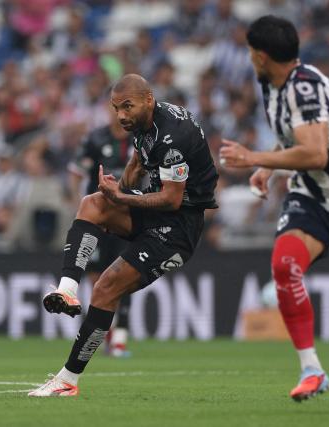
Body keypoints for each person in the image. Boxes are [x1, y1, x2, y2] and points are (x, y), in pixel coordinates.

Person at [219, 16, 329, 412]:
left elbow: (316, 152)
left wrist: (253, 157)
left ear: (262, 56)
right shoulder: (272, 85)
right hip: (312, 197)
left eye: (251, 52)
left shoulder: (304, 87)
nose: (249, 58)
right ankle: (311, 369)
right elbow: (294, 142)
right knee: (285, 265)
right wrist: (271, 167)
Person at [28, 74, 219, 397]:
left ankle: (67, 381)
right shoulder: (145, 124)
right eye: (116, 108)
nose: (121, 115)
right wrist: (121, 189)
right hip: (156, 213)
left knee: (105, 288)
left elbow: (172, 199)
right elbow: (137, 163)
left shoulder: (172, 135)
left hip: (178, 229)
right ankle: (68, 290)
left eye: (127, 106)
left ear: (148, 98)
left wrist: (122, 198)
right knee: (93, 204)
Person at [67, 106, 135, 358]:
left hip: (128, 219)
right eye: (115, 107)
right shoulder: (95, 138)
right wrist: (79, 204)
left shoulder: (140, 138)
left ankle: (119, 340)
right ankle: (104, 333)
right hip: (99, 221)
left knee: (126, 276)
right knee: (98, 280)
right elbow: (75, 172)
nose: (120, 113)